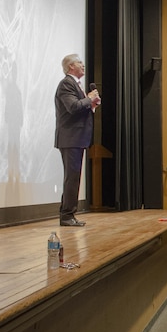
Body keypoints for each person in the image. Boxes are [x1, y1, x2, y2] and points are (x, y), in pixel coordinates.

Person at [54, 54, 101, 227]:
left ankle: (69, 214)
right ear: (70, 66)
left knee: (74, 177)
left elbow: (78, 108)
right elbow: (73, 107)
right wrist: (89, 99)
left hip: (76, 138)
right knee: (72, 178)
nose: (83, 65)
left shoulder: (75, 85)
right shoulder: (67, 83)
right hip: (70, 138)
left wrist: (92, 105)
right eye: (79, 62)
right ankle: (67, 216)